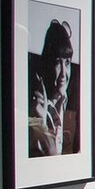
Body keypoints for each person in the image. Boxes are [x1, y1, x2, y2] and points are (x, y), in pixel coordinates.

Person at [29, 18, 79, 157]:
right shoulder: (36, 107)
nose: (64, 73)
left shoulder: (69, 102)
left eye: (67, 63)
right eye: (58, 62)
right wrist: (40, 123)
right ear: (47, 63)